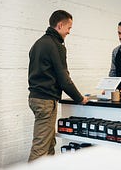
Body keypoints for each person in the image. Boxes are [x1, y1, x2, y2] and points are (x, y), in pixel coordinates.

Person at [28, 10, 88, 162]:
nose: (69, 32)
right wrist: (80, 98)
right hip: (46, 101)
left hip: (35, 98)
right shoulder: (56, 46)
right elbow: (63, 78)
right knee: (41, 147)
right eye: (69, 28)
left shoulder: (38, 43)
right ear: (60, 25)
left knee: (49, 144)